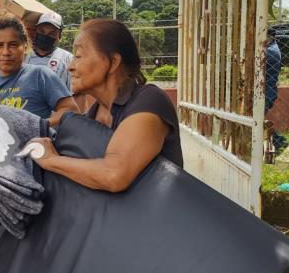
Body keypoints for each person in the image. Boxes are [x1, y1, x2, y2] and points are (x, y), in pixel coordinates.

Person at [28, 19, 183, 190]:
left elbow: (114, 174)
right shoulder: (91, 115)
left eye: (78, 56)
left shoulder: (150, 101)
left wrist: (50, 159)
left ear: (113, 62)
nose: (70, 67)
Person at [0, 17, 78, 126]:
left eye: (13, 45)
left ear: (25, 46)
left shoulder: (40, 76)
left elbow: (71, 109)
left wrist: (40, 125)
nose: (6, 52)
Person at [24, 11, 73, 90]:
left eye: (52, 34)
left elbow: (76, 93)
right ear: (36, 32)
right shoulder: (23, 55)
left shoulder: (68, 59)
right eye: (41, 31)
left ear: (59, 36)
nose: (45, 36)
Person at [265, 32, 288, 153]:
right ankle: (278, 141)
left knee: (253, 120)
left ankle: (279, 141)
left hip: (265, 93)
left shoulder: (270, 51)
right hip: (267, 92)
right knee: (254, 120)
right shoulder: (271, 48)